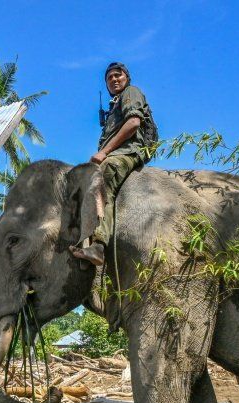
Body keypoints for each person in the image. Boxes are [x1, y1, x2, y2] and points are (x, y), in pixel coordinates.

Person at [70, 62, 158, 266]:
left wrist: (104, 152)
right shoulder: (114, 105)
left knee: (103, 174)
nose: (114, 79)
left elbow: (133, 122)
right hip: (119, 151)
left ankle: (98, 245)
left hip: (129, 151)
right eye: (109, 78)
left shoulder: (131, 92)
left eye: (118, 75)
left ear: (127, 78)